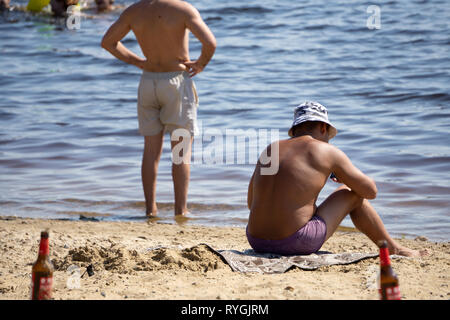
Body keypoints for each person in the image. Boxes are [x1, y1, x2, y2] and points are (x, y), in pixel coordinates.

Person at [246, 101, 427, 257]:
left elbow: (251, 202)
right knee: (350, 194)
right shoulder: (326, 151)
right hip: (294, 242)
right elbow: (370, 191)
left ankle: (394, 248)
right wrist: (345, 179)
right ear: (323, 128)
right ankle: (394, 248)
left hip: (256, 240)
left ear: (294, 130)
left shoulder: (271, 149)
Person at [101, 0, 216, 216]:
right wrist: (201, 63)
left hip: (147, 82)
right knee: (180, 152)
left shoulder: (134, 11)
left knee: (150, 151)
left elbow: (108, 42)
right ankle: (180, 211)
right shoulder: (183, 9)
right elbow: (210, 43)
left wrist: (136, 61)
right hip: (176, 81)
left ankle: (150, 209)